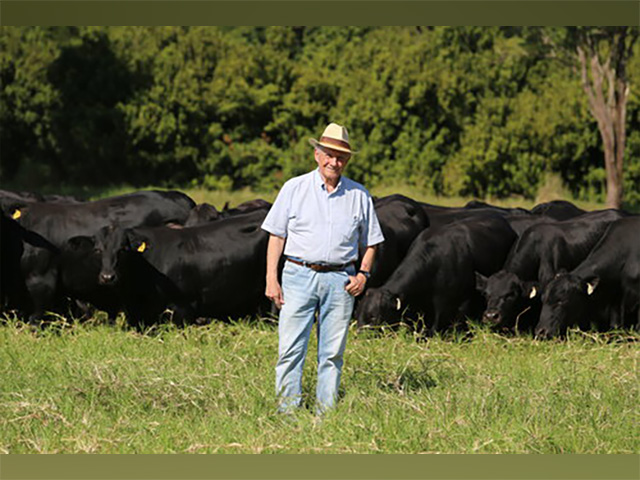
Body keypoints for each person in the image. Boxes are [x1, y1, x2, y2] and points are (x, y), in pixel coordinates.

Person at [261, 122, 384, 416]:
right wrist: (271, 279)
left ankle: (325, 413)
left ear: (348, 160)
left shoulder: (359, 195)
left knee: (332, 353)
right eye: (328, 154)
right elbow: (276, 236)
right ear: (317, 154)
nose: (334, 162)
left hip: (341, 279)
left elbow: (372, 241)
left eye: (340, 156)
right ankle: (287, 412)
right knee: (291, 349)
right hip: (298, 274)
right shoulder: (294, 188)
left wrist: (363, 274)